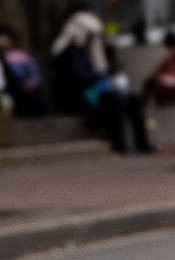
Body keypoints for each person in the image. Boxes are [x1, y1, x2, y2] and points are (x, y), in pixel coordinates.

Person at [49, 9, 151, 154]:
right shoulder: (70, 51)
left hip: (94, 90)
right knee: (114, 101)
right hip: (80, 95)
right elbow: (78, 77)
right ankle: (119, 144)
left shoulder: (86, 50)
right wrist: (99, 78)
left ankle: (142, 143)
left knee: (133, 99)